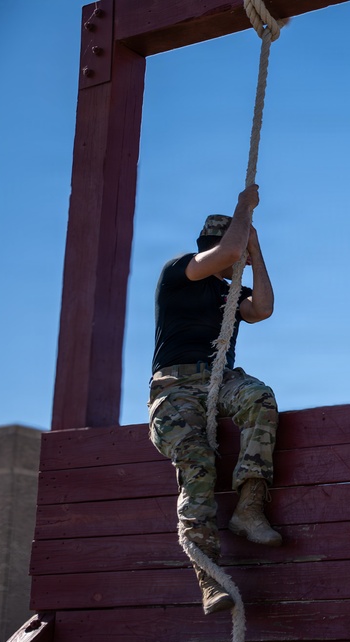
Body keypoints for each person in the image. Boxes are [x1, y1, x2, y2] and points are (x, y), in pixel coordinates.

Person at [147, 184, 283, 615]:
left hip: (219, 380)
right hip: (175, 387)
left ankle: (249, 506)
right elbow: (224, 255)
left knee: (259, 398)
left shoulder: (230, 291)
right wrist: (244, 209)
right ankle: (208, 573)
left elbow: (262, 309)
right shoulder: (180, 271)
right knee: (197, 460)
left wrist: (255, 253)